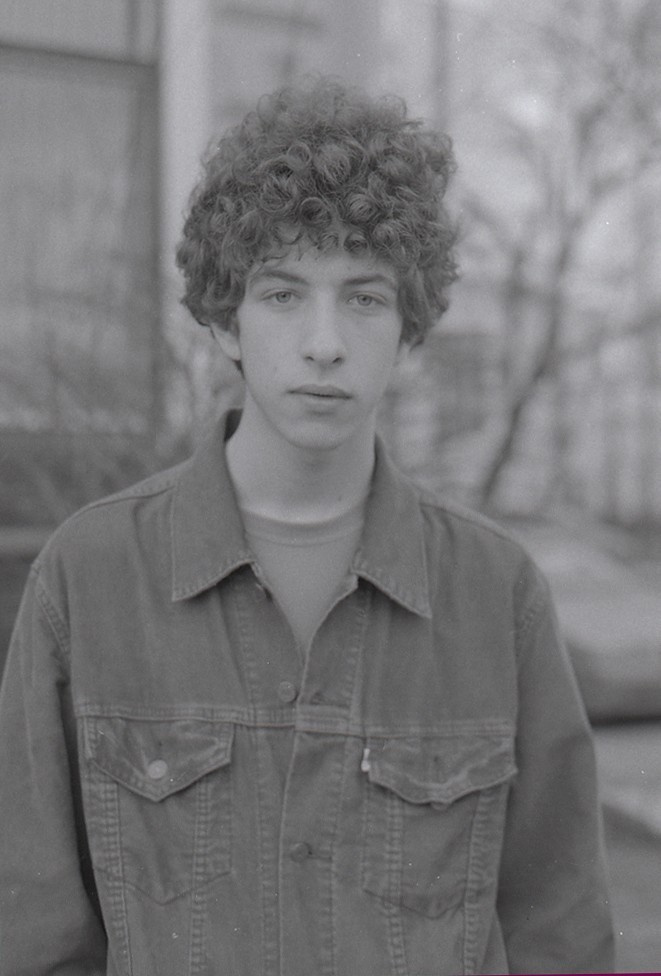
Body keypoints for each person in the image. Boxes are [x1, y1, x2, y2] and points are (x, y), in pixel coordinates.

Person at [0, 77, 614, 975]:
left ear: (408, 330)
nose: (323, 341)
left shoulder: (498, 595)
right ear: (224, 320)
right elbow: (32, 934)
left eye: (363, 298)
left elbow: (561, 935)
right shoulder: (89, 577)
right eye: (283, 294)